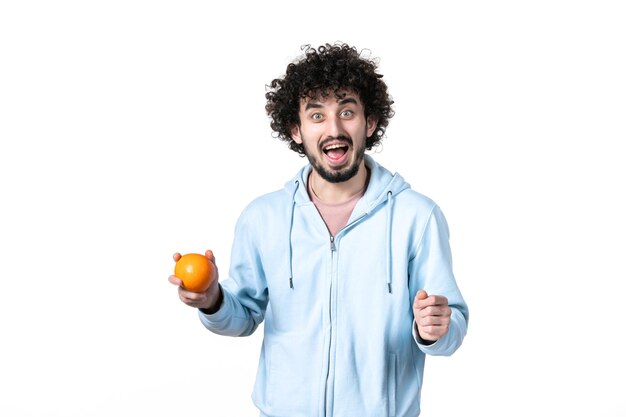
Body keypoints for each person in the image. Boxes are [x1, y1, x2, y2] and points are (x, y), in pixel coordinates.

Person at [169, 42, 469, 417]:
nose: (334, 129)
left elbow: (451, 325)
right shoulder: (263, 218)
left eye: (347, 111)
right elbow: (242, 316)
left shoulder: (416, 217)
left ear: (370, 123)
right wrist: (212, 298)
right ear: (295, 129)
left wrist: (435, 328)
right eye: (316, 115)